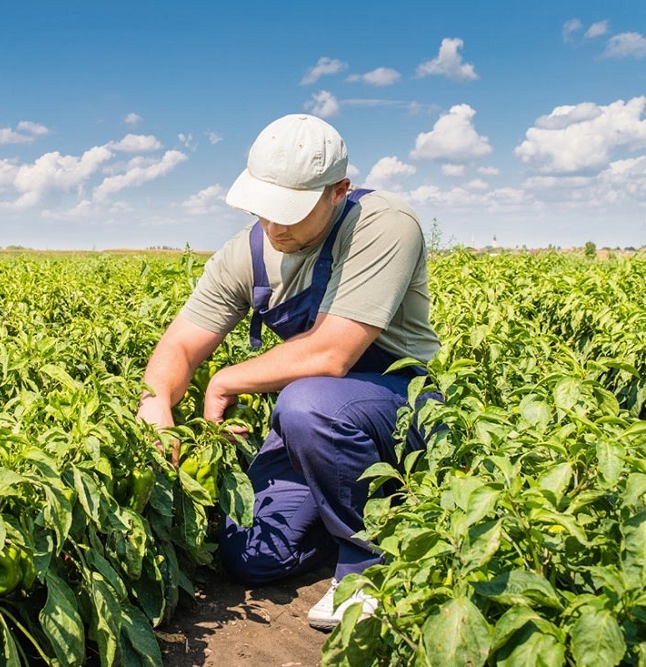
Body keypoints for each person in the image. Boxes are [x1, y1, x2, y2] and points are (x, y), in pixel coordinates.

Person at [136, 113, 441, 630]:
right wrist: (156, 404)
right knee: (252, 553)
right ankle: (366, 508)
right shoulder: (247, 255)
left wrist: (225, 379)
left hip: (400, 405)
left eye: (291, 214)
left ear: (337, 191)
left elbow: (332, 354)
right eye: (265, 210)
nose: (274, 227)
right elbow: (181, 345)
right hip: (318, 425)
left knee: (306, 403)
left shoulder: (384, 223)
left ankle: (369, 567)